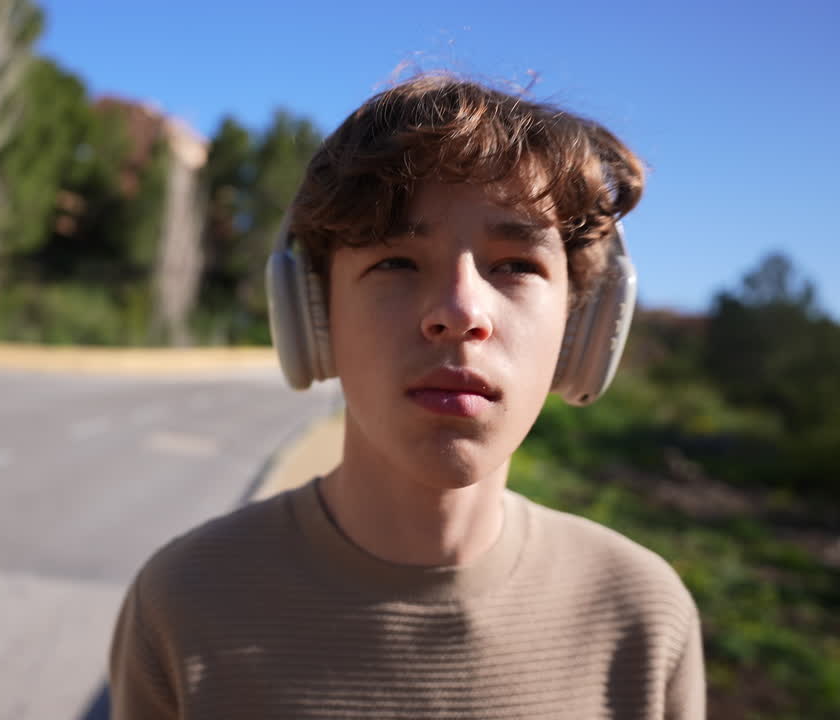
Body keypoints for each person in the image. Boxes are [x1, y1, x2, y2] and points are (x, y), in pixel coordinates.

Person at [108, 72, 705, 719]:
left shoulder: (643, 616)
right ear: (314, 315)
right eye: (395, 261)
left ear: (581, 328)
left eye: (516, 265)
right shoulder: (183, 606)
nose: (458, 311)